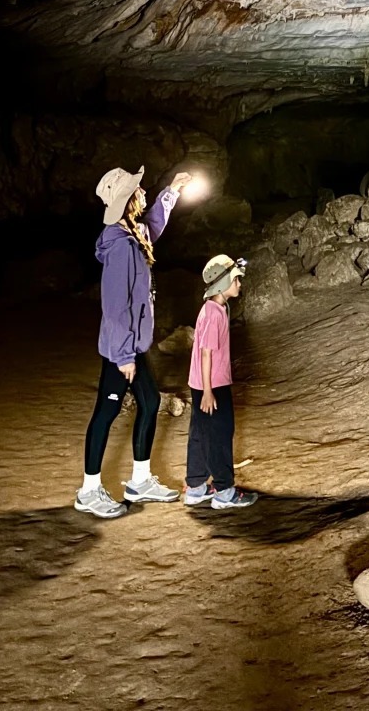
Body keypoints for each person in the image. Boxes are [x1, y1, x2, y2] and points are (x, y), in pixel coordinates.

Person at [75, 164, 193, 518]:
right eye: (137, 190)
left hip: (133, 346)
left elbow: (152, 226)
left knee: (150, 401)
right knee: (106, 413)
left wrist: (172, 191)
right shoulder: (120, 248)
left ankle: (140, 480)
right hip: (120, 349)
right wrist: (124, 355)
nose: (143, 192)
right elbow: (115, 307)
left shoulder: (133, 234)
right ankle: (88, 491)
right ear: (126, 200)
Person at [183, 255, 258, 510]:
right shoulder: (214, 314)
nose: (239, 284)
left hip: (201, 383)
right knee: (220, 434)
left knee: (200, 433)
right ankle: (224, 491)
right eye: (236, 280)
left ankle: (196, 487)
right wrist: (208, 391)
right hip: (212, 385)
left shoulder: (212, 308)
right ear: (223, 283)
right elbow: (206, 353)